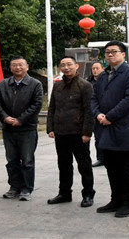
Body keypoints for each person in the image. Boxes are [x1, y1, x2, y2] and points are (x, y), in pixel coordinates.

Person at [91, 41, 129, 218]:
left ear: (123, 54)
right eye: (107, 53)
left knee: (126, 168)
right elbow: (94, 98)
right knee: (111, 167)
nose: (110, 55)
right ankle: (116, 199)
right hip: (105, 128)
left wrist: (110, 117)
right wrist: (98, 114)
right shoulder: (104, 75)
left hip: (124, 128)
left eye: (114, 52)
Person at [46, 56, 96, 207]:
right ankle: (64, 193)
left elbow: (89, 110)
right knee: (64, 164)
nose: (66, 67)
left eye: (69, 65)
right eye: (63, 65)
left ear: (76, 66)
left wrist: (87, 132)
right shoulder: (57, 85)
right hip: (61, 132)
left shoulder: (85, 85)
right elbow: (52, 108)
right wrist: (50, 127)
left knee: (84, 165)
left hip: (78, 133)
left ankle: (88, 194)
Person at [0, 56, 44, 201]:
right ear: (10, 68)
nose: (18, 68)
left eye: (21, 65)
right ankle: (14, 187)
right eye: (14, 65)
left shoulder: (35, 84)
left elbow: (36, 104)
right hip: (8, 129)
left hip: (27, 129)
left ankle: (26, 188)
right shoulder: (3, 84)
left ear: (27, 67)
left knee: (27, 160)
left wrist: (21, 120)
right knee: (12, 160)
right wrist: (5, 118)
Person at [89, 61, 105, 167]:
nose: (95, 70)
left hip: (104, 112)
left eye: (97, 68)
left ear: (102, 69)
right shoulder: (88, 82)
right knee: (97, 138)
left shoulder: (106, 80)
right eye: (93, 68)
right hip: (92, 113)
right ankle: (100, 158)